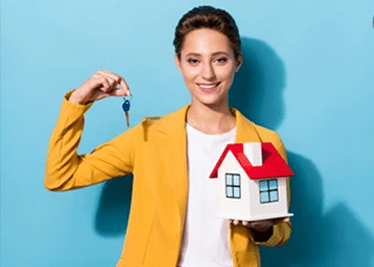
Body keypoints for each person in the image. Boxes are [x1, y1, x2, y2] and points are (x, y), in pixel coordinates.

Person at [45, 5, 291, 267]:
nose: (207, 73)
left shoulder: (264, 142)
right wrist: (77, 103)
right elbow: (61, 176)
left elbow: (281, 233)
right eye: (194, 60)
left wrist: (263, 227)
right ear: (179, 63)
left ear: (237, 62)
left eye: (220, 59)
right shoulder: (148, 137)